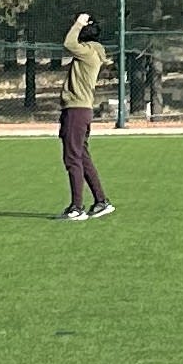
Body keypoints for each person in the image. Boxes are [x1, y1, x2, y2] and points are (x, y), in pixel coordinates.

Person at [58, 12, 114, 221]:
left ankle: (76, 207)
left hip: (76, 109)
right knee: (82, 156)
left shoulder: (87, 52)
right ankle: (101, 201)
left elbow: (68, 42)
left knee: (72, 158)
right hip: (80, 110)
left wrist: (78, 23)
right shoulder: (93, 52)